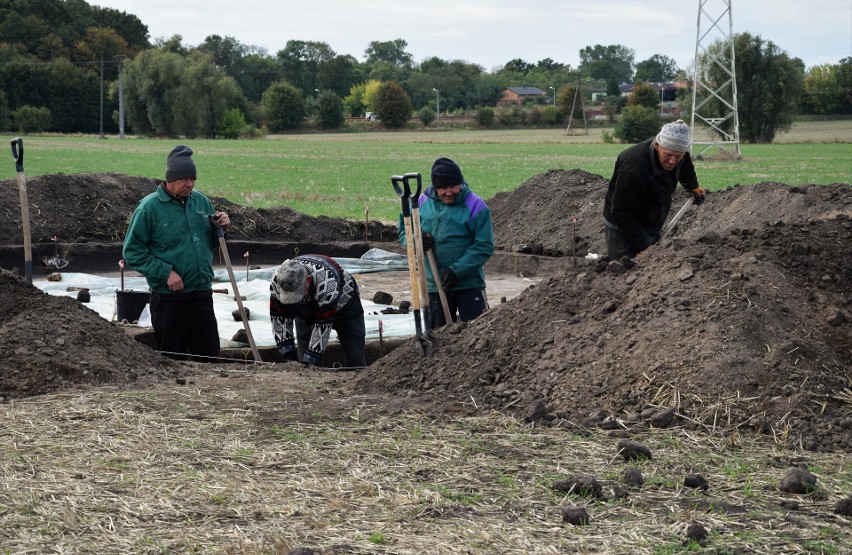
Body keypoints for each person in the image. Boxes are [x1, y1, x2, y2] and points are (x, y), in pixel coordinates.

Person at [122, 145, 230, 361]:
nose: (189, 184)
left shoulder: (200, 201)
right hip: (170, 301)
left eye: (193, 179)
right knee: (173, 361)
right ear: (170, 178)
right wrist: (165, 273)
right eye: (184, 179)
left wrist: (222, 227)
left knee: (209, 359)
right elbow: (132, 251)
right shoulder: (149, 208)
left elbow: (209, 241)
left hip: (201, 294)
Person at [403, 157, 494, 328]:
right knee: (439, 337)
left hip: (469, 284)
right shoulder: (420, 203)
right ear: (435, 188)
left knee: (477, 333)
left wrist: (457, 270)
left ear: (460, 184)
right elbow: (405, 230)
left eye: (453, 186)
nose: (449, 192)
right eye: (443, 188)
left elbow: (484, 246)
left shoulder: (476, 205)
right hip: (433, 285)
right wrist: (417, 241)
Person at [602, 119, 706, 260]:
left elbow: (685, 164)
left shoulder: (678, 151)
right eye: (668, 155)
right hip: (621, 226)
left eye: (678, 156)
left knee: (651, 264)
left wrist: (692, 185)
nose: (672, 161)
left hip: (651, 215)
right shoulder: (632, 168)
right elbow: (621, 212)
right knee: (624, 267)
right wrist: (646, 245)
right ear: (657, 146)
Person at [269, 254, 366, 368]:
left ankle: (356, 375)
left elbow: (322, 327)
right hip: (307, 307)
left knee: (353, 347)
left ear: (308, 280)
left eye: (298, 294)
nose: (294, 299)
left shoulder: (327, 282)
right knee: (304, 345)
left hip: (345, 305)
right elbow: (279, 318)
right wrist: (290, 357)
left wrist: (310, 361)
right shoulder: (277, 282)